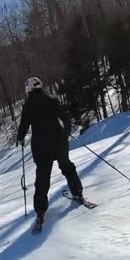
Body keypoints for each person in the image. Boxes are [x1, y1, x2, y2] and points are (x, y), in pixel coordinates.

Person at [16, 77, 85, 225]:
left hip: (41, 147)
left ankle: (40, 211)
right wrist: (65, 133)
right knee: (67, 167)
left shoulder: (28, 105)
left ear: (28, 89)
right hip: (59, 142)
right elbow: (65, 118)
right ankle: (78, 193)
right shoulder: (52, 100)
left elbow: (24, 125)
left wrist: (20, 138)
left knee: (42, 178)